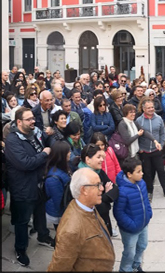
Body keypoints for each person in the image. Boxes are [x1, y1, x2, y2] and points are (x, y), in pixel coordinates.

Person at [4, 107, 55, 266]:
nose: (33, 121)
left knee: (40, 212)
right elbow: (25, 163)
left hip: (39, 183)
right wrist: (44, 154)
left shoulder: (36, 131)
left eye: (33, 118)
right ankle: (20, 249)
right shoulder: (12, 141)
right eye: (29, 119)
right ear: (19, 122)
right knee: (22, 220)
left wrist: (50, 139)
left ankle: (43, 236)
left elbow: (48, 142)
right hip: (23, 188)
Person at [47, 168, 116, 271]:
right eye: (97, 185)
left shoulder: (88, 206)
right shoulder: (71, 230)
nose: (102, 188)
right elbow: (58, 268)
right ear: (84, 190)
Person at [113, 157, 153, 272]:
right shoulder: (122, 191)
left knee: (142, 246)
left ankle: (136, 266)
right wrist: (132, 225)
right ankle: (125, 269)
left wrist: (149, 214)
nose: (142, 173)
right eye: (139, 171)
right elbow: (118, 212)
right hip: (130, 230)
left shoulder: (142, 183)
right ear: (129, 174)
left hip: (143, 224)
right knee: (129, 252)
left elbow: (146, 201)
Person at [136, 99, 165, 201]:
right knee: (147, 173)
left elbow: (162, 133)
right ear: (143, 109)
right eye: (149, 108)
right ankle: (149, 192)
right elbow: (137, 136)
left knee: (161, 171)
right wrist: (140, 149)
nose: (151, 109)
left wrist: (161, 144)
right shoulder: (138, 121)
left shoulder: (159, 119)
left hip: (156, 150)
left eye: (152, 107)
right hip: (144, 151)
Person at [78, 143, 119, 236]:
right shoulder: (82, 178)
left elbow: (115, 189)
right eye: (98, 157)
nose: (102, 159)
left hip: (104, 220)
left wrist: (101, 197)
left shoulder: (99, 172)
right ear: (88, 159)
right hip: (93, 228)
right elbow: (98, 207)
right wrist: (106, 196)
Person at [44, 140, 72, 232]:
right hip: (58, 212)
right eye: (68, 152)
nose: (70, 153)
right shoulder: (53, 178)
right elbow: (58, 201)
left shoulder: (63, 167)